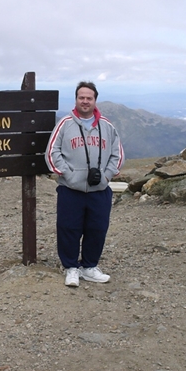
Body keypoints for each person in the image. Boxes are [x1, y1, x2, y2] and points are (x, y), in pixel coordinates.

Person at [45, 81, 125, 287]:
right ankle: (71, 268)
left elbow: (118, 154)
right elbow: (52, 153)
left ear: (95, 100)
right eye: (82, 97)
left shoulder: (107, 126)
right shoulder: (64, 125)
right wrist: (69, 175)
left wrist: (107, 176)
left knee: (97, 228)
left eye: (89, 98)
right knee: (68, 228)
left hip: (100, 189)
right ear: (76, 99)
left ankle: (90, 267)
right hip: (70, 190)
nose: (85, 101)